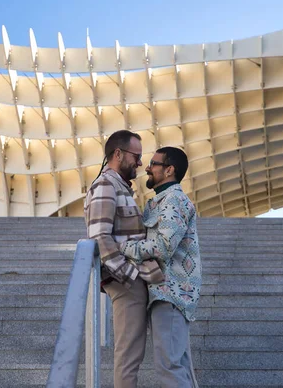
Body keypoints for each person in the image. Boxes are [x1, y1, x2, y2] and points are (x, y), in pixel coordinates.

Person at [84, 130, 163, 388]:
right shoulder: (106, 186)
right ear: (117, 154)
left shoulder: (120, 188)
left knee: (132, 355)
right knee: (128, 357)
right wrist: (130, 277)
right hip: (126, 281)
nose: (140, 163)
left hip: (130, 279)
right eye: (136, 156)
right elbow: (98, 236)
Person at [120, 147, 202, 388]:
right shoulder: (160, 200)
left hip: (172, 293)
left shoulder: (174, 200)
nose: (147, 167)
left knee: (169, 366)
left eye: (154, 163)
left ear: (169, 170)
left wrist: (121, 247)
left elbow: (163, 246)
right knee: (176, 365)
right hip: (165, 291)